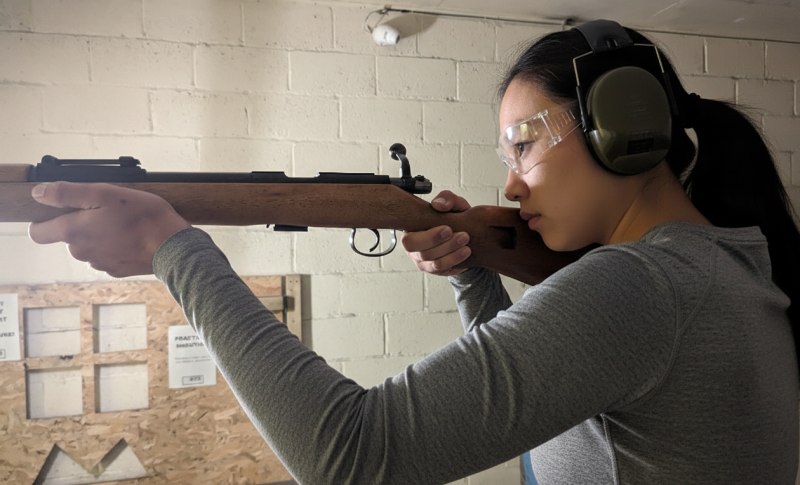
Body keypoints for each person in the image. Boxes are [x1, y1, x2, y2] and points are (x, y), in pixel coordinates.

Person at [26, 19, 799, 485]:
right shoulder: (728, 268)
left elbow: (352, 456)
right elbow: (547, 409)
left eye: (524, 144)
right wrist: (473, 277)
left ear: (622, 123)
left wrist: (175, 249)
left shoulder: (641, 289)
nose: (512, 180)